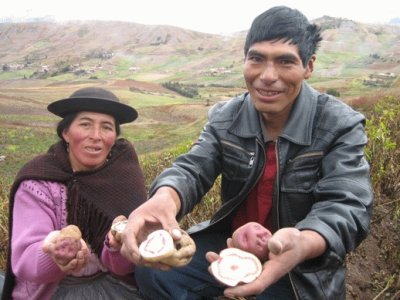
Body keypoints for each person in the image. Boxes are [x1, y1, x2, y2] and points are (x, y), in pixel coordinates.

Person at [121, 5, 373, 299]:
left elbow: (348, 205)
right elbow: (193, 167)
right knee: (153, 271)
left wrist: (303, 243)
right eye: (257, 59)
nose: (268, 76)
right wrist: (165, 197)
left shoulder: (339, 124)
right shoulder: (226, 117)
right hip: (232, 244)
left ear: (309, 66)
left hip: (300, 268)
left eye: (285, 62)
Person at [1, 87, 147, 299]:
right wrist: (56, 256)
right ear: (66, 133)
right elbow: (25, 262)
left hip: (114, 286)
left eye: (106, 127)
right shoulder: (39, 182)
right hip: (52, 291)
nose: (96, 136)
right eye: (85, 124)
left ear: (115, 137)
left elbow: (124, 267)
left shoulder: (124, 176)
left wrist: (116, 247)